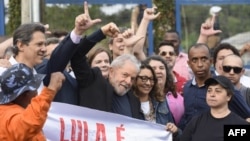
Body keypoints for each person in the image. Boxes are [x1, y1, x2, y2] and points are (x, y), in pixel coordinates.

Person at [179, 43, 250, 130]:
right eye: (194, 60)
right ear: (189, 63)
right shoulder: (187, 87)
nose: (200, 64)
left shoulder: (225, 86)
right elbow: (187, 116)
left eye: (204, 59)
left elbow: (247, 115)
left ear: (211, 61)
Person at [0, 63, 65, 140]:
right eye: (34, 89)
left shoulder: (6, 110)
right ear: (25, 94)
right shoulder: (10, 115)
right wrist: (50, 90)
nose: (36, 93)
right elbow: (28, 125)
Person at [180, 75, 249, 141]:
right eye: (209, 90)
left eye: (218, 91)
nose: (212, 94)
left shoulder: (238, 124)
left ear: (228, 96)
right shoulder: (196, 122)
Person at [133, 62, 181, 140]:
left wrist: (175, 131)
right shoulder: (128, 103)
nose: (148, 83)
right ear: (134, 79)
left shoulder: (161, 101)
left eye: (151, 79)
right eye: (144, 79)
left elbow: (175, 131)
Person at [144, 55, 184, 126]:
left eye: (161, 68)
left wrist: (175, 131)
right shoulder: (140, 98)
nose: (158, 71)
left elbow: (180, 130)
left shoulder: (174, 99)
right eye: (154, 68)